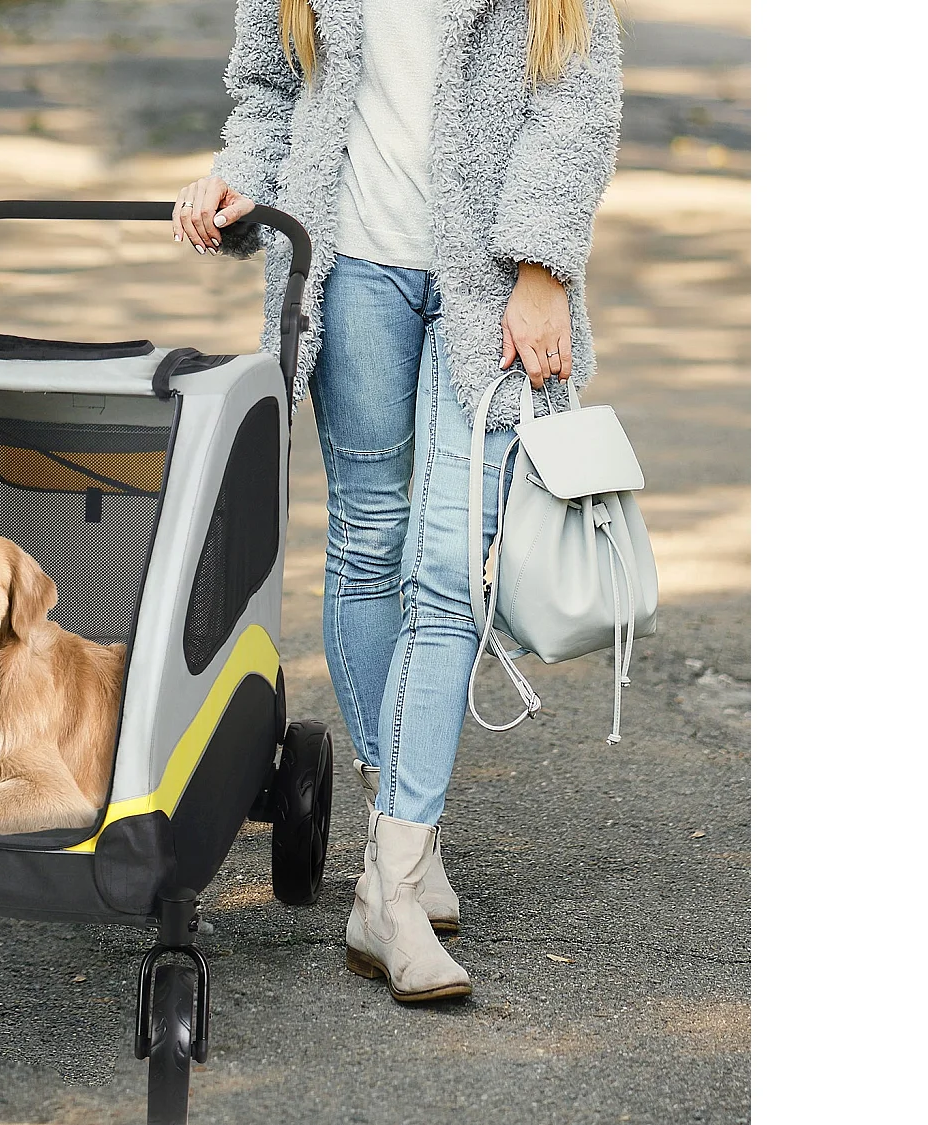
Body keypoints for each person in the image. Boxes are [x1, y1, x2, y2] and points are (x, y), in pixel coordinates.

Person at [172, 0, 622, 1002]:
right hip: (352, 271)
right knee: (369, 545)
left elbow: (577, 103)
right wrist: (242, 179)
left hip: (492, 283)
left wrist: (545, 267)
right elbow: (270, 88)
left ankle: (394, 871)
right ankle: (399, 859)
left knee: (456, 565)